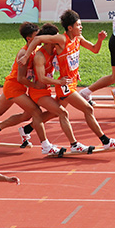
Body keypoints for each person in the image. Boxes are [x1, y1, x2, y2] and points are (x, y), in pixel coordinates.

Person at [20, 9, 115, 150]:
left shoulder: (78, 39)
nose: (81, 27)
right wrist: (27, 56)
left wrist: (100, 40)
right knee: (87, 109)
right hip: (65, 85)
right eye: (78, 25)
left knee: (54, 112)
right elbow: (38, 39)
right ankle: (104, 141)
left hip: (72, 82)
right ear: (70, 27)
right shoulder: (62, 40)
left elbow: (95, 49)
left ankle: (27, 129)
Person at [27, 22, 91, 153]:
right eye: (55, 37)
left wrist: (73, 72)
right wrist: (59, 82)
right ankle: (74, 145)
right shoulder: (40, 56)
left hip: (48, 89)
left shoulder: (55, 51)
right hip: (38, 92)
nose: (59, 38)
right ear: (49, 40)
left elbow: (65, 62)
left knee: (51, 113)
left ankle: (22, 129)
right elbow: (42, 78)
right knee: (62, 112)